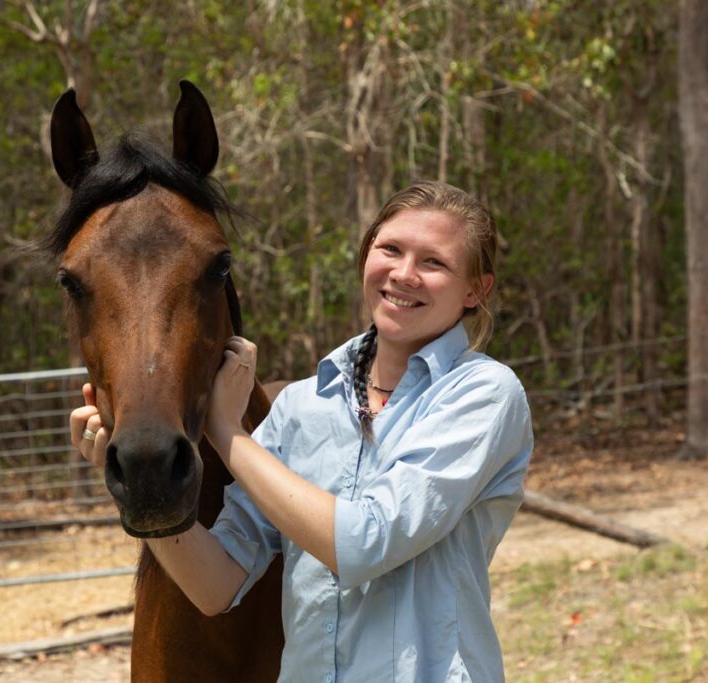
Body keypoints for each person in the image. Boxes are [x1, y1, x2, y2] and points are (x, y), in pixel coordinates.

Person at [72, 181, 533, 682]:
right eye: (391, 249)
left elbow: (366, 541)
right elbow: (216, 586)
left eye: (434, 263)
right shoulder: (301, 408)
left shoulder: (482, 395)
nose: (404, 274)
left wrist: (228, 433)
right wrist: (146, 498)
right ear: (366, 256)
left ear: (475, 290)